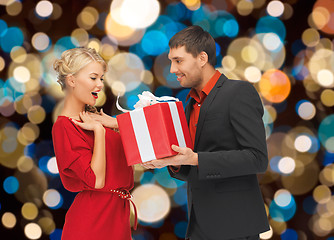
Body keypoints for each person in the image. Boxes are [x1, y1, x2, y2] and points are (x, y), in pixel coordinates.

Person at [142, 26, 270, 240]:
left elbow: (257, 159)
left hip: (235, 227)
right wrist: (172, 162)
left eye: (178, 61)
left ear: (202, 58)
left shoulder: (238, 92)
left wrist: (196, 158)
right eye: (171, 61)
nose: (172, 69)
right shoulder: (189, 102)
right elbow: (194, 167)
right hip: (199, 225)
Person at [52, 47, 135, 240]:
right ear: (72, 80)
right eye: (93, 78)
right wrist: (99, 132)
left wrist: (115, 124)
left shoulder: (100, 118)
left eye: (102, 79)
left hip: (118, 215)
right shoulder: (64, 126)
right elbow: (96, 180)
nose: (99, 85)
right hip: (92, 221)